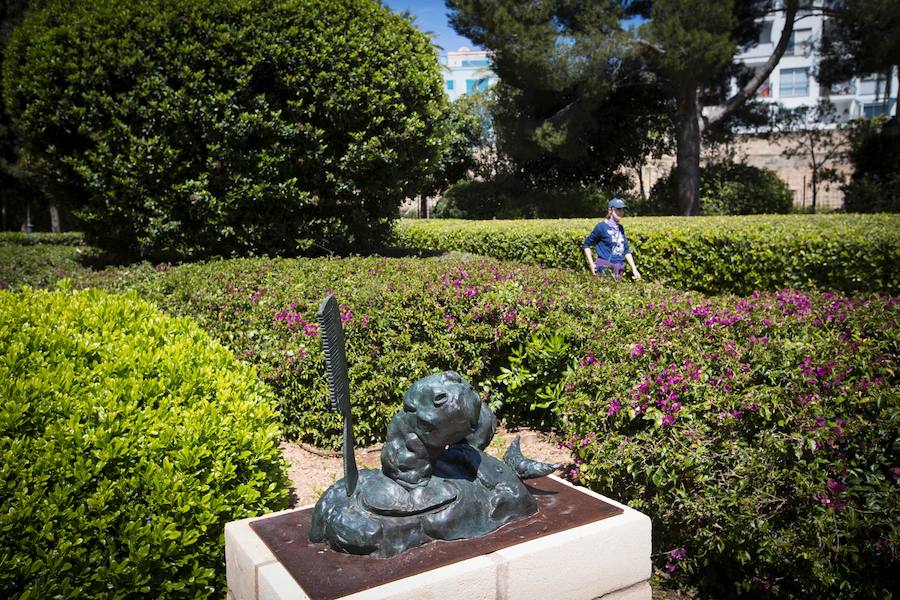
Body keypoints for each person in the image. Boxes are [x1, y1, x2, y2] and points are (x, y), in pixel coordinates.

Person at [583, 198, 641, 280]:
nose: (621, 212)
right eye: (618, 209)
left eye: (622, 209)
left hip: (619, 270)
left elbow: (626, 250)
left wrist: (634, 269)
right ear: (610, 210)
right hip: (605, 270)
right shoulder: (601, 226)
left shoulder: (620, 228)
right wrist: (591, 264)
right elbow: (586, 244)